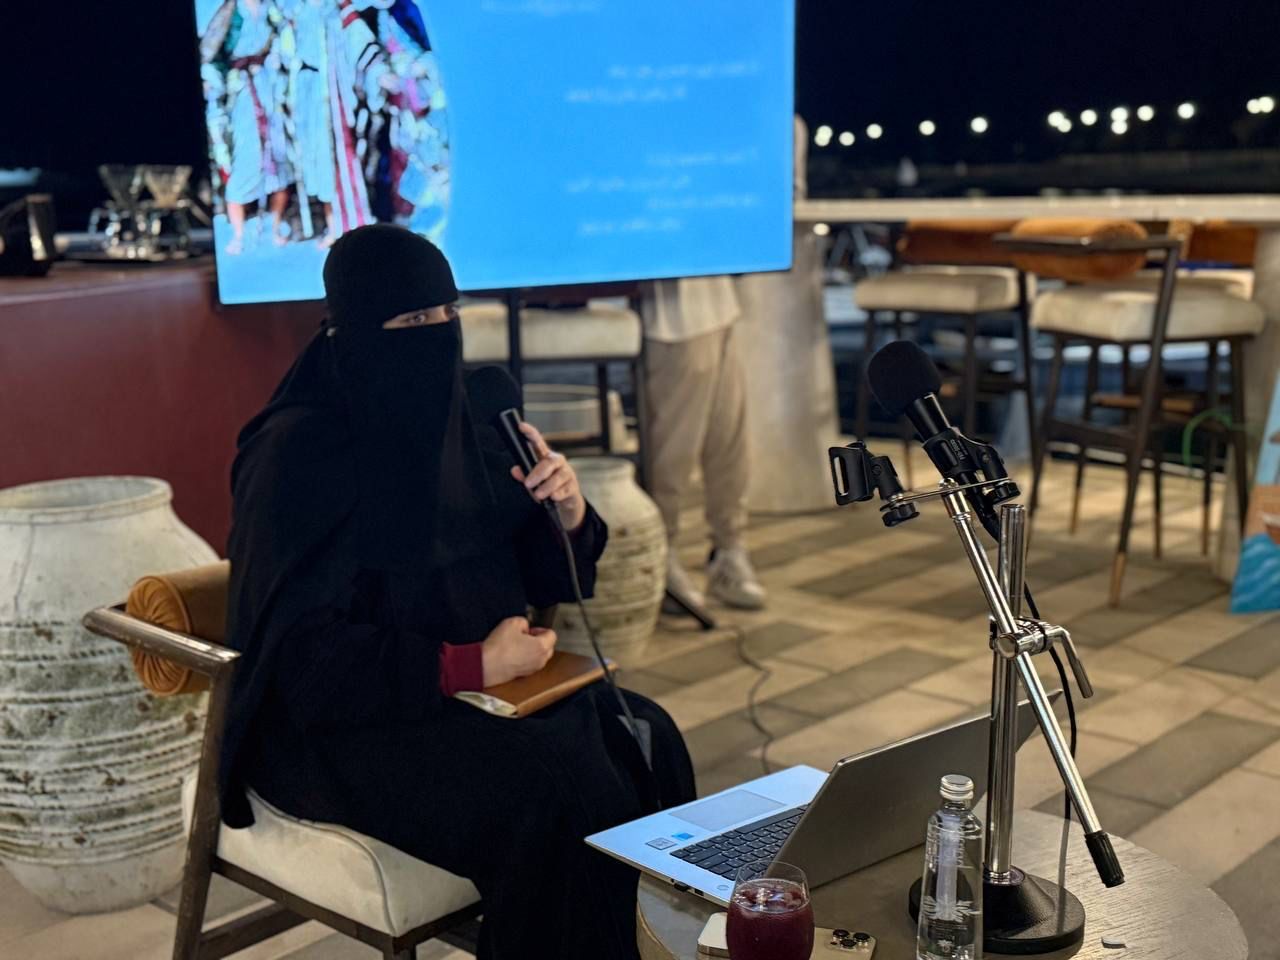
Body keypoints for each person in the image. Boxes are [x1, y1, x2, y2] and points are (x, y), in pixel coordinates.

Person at [221, 224, 695, 959]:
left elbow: (543, 574)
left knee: (650, 739)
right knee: (550, 790)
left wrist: (568, 511)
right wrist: (469, 664)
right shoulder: (299, 453)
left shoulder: (469, 412)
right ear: (355, 330)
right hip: (340, 728)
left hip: (484, 694)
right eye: (415, 319)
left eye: (449, 313)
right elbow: (302, 662)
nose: (439, 334)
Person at [645, 276, 768, 610]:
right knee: (675, 447)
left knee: (729, 436)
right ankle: (659, 555)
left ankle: (728, 549)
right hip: (670, 310)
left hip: (718, 297)